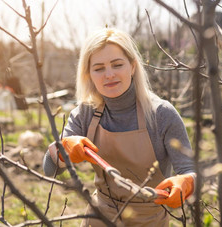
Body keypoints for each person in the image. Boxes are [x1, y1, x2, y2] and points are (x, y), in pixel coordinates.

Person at [43, 27, 195, 226]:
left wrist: (186, 183)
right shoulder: (85, 113)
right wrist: (63, 151)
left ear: (132, 67)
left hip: (149, 219)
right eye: (98, 68)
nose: (109, 74)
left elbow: (189, 169)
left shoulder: (161, 114)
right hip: (99, 217)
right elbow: (49, 169)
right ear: (88, 74)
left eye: (117, 65)